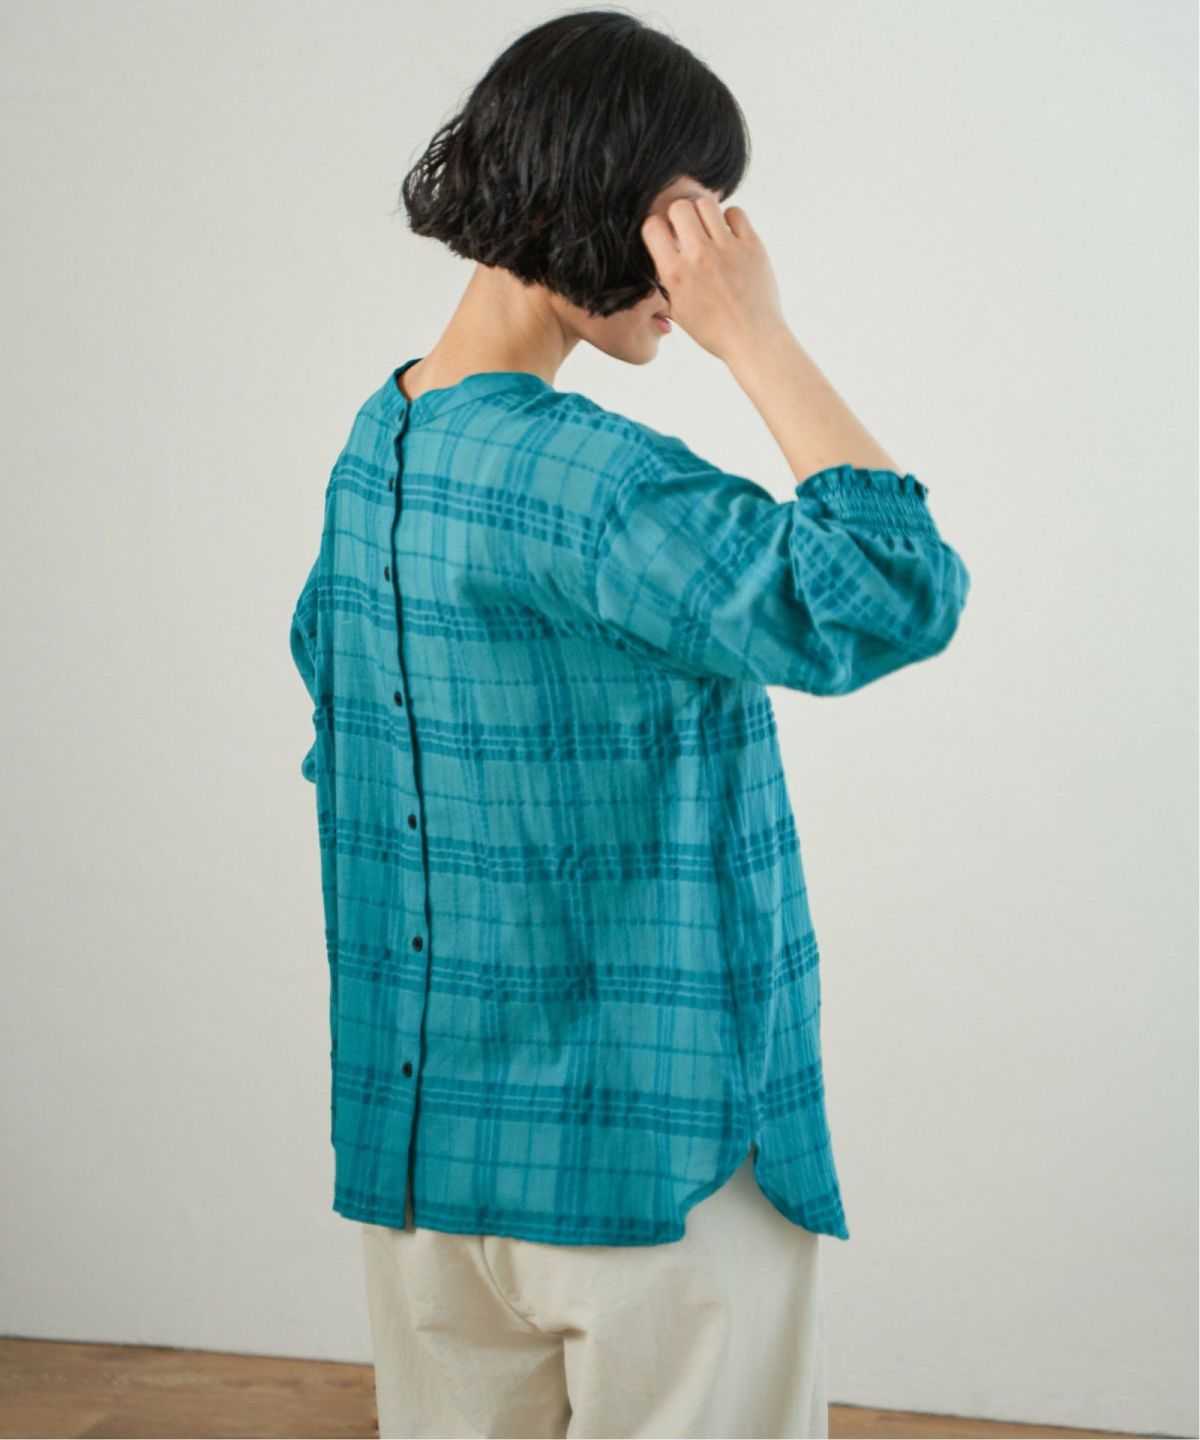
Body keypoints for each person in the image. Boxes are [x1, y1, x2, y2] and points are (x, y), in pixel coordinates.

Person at [288, 9, 971, 1438]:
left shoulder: (375, 450)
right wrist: (755, 335)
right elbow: (892, 589)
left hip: (429, 1172)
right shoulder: (593, 484)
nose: (708, 259)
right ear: (611, 200)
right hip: (654, 1162)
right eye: (694, 213)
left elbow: (337, 722)